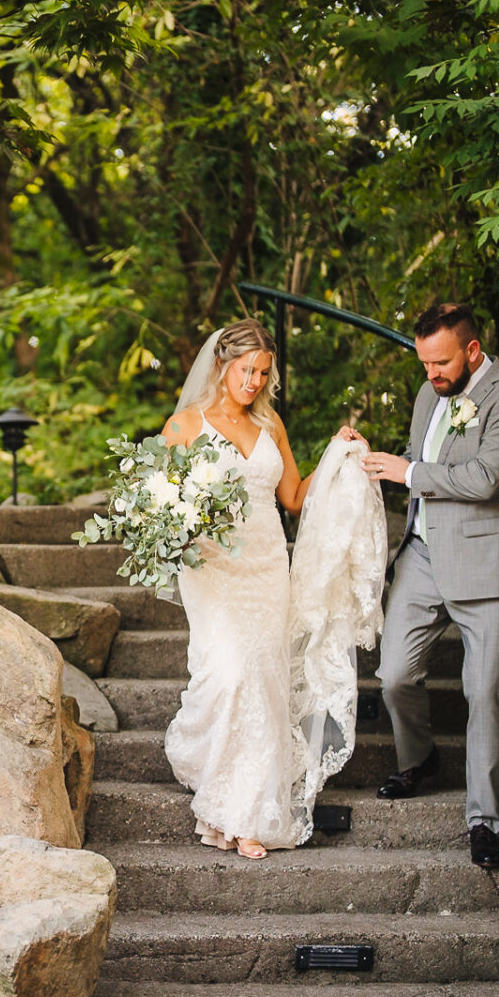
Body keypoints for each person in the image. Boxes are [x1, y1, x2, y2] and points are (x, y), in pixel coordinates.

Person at [159, 320, 381, 858]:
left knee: (262, 680)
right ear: (222, 365)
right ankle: (227, 800)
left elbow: (294, 498)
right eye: (246, 370)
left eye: (263, 372)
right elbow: (163, 506)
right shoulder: (184, 425)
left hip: (265, 567)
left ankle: (246, 812)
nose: (255, 381)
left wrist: (335, 454)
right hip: (212, 570)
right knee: (231, 674)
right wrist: (179, 530)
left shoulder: (271, 425)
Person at [361, 302, 499, 870]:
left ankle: (484, 819)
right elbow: (419, 459)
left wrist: (409, 473)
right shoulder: (428, 394)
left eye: (440, 362)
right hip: (421, 554)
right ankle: (420, 757)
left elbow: (487, 478)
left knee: (486, 691)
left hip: (489, 562)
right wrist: (367, 459)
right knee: (393, 676)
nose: (432, 374)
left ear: (471, 349)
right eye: (424, 364)